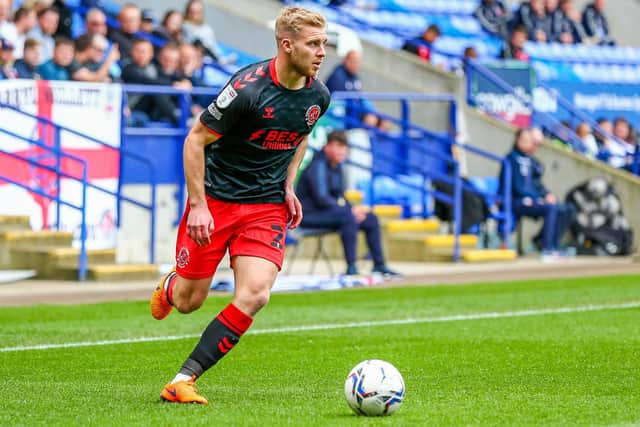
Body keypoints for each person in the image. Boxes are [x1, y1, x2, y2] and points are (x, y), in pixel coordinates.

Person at [149, 6, 331, 404]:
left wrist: (288, 185)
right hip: (216, 203)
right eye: (313, 44)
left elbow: (301, 135)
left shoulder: (319, 95)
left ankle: (183, 379)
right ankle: (172, 284)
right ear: (287, 45)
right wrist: (197, 205)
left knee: (255, 294)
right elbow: (195, 140)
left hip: (265, 207)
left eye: (324, 43)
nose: (322, 52)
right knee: (187, 302)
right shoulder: (247, 89)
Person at [296, 130, 399, 276]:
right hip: (307, 216)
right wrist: (348, 211)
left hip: (328, 213)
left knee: (370, 218)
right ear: (328, 146)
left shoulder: (336, 166)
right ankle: (351, 267)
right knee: (347, 217)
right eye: (339, 147)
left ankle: (379, 265)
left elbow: (340, 196)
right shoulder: (317, 165)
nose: (343, 152)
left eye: (344, 148)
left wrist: (354, 209)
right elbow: (322, 198)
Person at [499, 128, 574, 254]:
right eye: (525, 140)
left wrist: (546, 195)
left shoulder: (532, 161)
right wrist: (537, 197)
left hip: (533, 200)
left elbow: (537, 185)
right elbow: (518, 187)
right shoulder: (511, 159)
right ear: (518, 140)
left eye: (530, 141)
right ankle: (547, 248)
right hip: (516, 201)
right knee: (551, 208)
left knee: (566, 208)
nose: (529, 143)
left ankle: (554, 245)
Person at [325, 49, 389, 130]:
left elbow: (360, 98)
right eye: (353, 61)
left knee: (384, 121)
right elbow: (337, 103)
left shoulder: (355, 77)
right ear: (345, 60)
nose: (356, 64)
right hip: (346, 115)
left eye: (358, 61)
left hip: (356, 111)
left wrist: (375, 113)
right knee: (370, 120)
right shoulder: (337, 76)